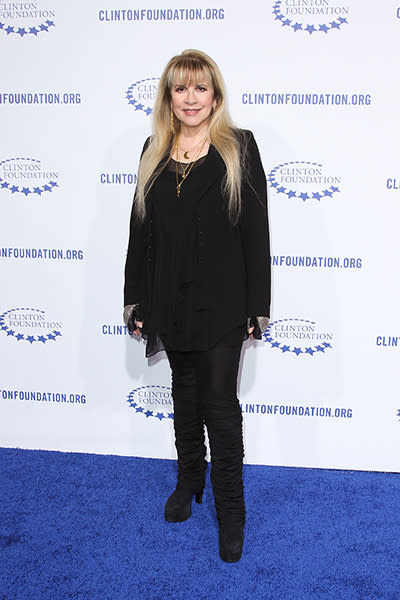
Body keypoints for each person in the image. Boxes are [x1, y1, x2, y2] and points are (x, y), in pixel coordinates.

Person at [124, 49, 271, 563]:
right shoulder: (153, 150)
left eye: (200, 88)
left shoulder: (239, 147)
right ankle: (190, 482)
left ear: (216, 96)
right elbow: (139, 232)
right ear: (169, 96)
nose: (190, 98)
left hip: (223, 302)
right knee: (183, 397)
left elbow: (256, 234)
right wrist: (134, 299)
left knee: (220, 409)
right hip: (169, 298)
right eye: (180, 88)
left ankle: (232, 513)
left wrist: (257, 307)